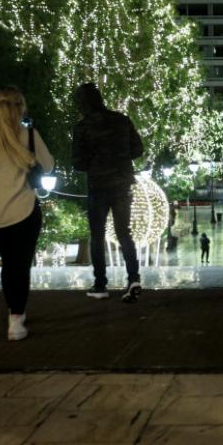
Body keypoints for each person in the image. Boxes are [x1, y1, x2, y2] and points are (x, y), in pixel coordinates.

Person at [0, 86, 54, 341]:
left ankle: (14, 313)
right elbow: (49, 165)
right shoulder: (28, 135)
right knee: (21, 266)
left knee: (8, 265)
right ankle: (16, 319)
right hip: (24, 210)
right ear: (20, 108)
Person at [72, 82, 144, 303]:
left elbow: (78, 163)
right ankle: (133, 278)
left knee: (97, 236)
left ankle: (100, 284)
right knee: (125, 233)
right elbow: (138, 149)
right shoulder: (122, 120)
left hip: (98, 186)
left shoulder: (82, 127)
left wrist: (95, 162)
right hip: (122, 184)